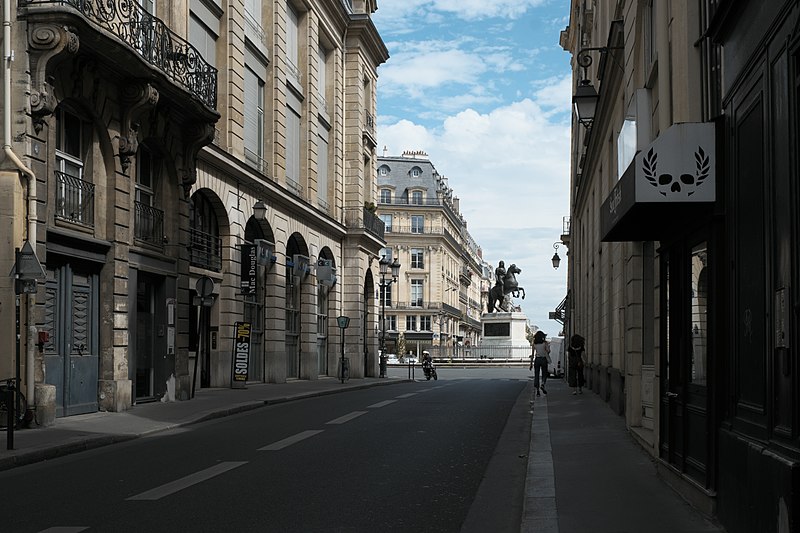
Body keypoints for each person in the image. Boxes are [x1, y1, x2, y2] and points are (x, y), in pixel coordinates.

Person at [531, 330, 551, 396]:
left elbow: (532, 354)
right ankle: (542, 384)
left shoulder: (534, 343)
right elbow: (548, 351)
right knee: (544, 373)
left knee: (536, 375)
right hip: (543, 359)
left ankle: (537, 391)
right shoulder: (545, 343)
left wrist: (531, 364)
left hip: (537, 359)